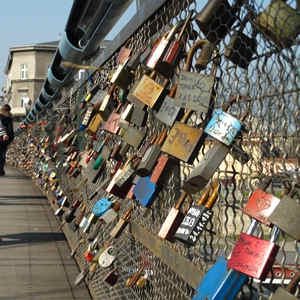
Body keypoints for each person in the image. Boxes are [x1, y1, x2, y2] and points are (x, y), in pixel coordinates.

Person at [0, 104, 14, 176]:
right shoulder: (8, 118)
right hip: (3, 138)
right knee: (2, 155)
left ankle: (1, 170)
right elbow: (2, 127)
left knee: (2, 155)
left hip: (4, 139)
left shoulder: (9, 118)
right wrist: (6, 135)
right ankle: (1, 170)